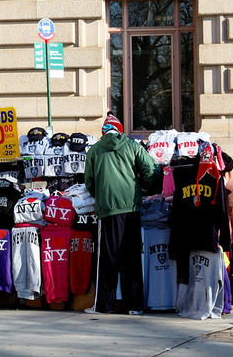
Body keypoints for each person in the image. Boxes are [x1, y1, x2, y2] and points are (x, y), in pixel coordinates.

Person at [84, 112, 161, 315]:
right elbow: (151, 169)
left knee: (107, 258)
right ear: (119, 129)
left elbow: (89, 182)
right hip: (131, 209)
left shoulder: (94, 151)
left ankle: (104, 305)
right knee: (132, 257)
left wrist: (99, 194)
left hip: (107, 210)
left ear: (104, 131)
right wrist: (148, 188)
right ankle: (134, 305)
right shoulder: (132, 145)